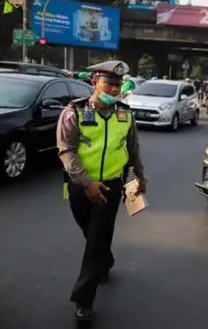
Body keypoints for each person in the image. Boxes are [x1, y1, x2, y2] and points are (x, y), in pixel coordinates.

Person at [56, 60, 147, 321]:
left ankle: (84, 300)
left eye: (118, 85)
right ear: (94, 83)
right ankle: (105, 261)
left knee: (96, 239)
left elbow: (133, 149)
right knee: (90, 232)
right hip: (79, 186)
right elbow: (67, 151)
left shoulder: (125, 115)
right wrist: (86, 183)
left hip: (112, 186)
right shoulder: (74, 112)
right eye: (109, 83)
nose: (115, 89)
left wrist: (141, 176)